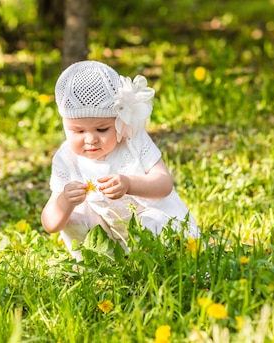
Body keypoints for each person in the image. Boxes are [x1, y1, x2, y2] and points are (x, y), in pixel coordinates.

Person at [41, 60, 199, 261]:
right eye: (78, 131)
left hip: (153, 222)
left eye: (102, 129)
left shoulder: (132, 139)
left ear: (119, 120)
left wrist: (129, 183)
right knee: (73, 219)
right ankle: (100, 263)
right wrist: (64, 201)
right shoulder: (67, 158)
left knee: (154, 222)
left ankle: (158, 262)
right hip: (112, 238)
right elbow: (50, 224)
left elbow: (164, 184)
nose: (90, 139)